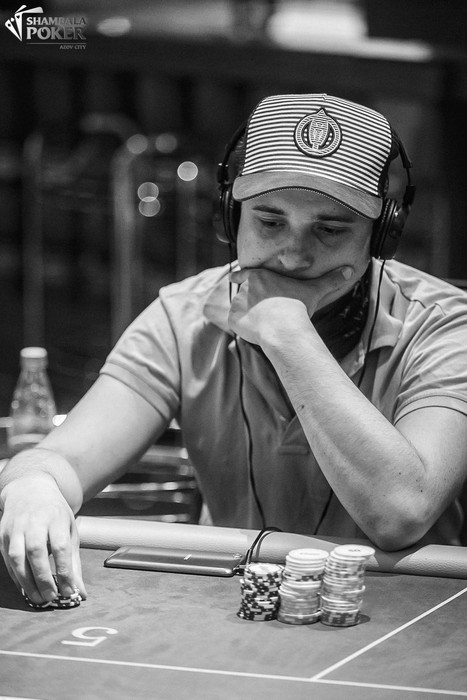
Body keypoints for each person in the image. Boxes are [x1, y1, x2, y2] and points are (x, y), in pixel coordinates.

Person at [2, 93, 467, 606]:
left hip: (404, 617)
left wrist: (287, 333)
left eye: (330, 230)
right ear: (231, 217)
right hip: (229, 613)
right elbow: (62, 461)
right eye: (269, 222)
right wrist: (34, 485)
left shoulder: (445, 325)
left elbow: (401, 512)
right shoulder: (182, 316)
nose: (293, 255)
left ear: (381, 237)